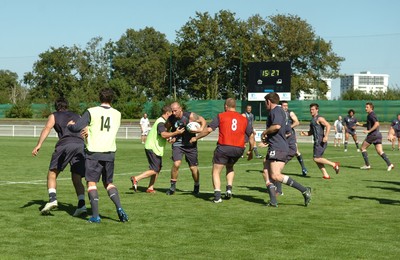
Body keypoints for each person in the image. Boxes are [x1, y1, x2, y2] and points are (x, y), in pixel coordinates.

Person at [68, 88, 128, 223]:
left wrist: (70, 126)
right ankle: (119, 208)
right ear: (112, 99)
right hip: (110, 152)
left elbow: (78, 127)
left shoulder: (91, 111)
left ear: (99, 98)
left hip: (94, 152)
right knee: (109, 183)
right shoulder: (118, 114)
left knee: (91, 183)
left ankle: (95, 216)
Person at [190, 98, 254, 203]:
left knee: (216, 171)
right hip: (239, 148)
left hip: (224, 147)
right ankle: (229, 189)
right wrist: (251, 150)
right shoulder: (244, 119)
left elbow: (209, 130)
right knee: (230, 166)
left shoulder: (221, 116)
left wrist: (196, 137)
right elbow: (251, 135)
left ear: (225, 106)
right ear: (235, 106)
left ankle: (217, 196)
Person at [32, 97, 87, 216]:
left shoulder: (54, 115)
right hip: (80, 145)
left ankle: (52, 200)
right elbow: (85, 130)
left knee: (52, 173)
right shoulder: (78, 115)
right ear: (67, 105)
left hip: (65, 145)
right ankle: (82, 204)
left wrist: (39, 145)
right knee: (77, 178)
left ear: (56, 106)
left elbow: (47, 128)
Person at [261, 93, 311, 207]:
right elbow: (287, 130)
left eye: (265, 102)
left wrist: (265, 132)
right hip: (276, 145)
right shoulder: (281, 113)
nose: (265, 105)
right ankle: (273, 200)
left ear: (269, 101)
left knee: (276, 176)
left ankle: (304, 190)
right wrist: (269, 139)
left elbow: (277, 126)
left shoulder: (276, 111)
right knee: (266, 170)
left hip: (278, 147)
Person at [130, 106, 185, 193]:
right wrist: (176, 133)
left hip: (155, 148)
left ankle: (150, 187)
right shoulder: (161, 122)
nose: (173, 115)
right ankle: (136, 178)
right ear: (167, 113)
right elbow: (163, 134)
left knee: (157, 168)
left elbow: (162, 135)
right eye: (172, 113)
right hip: (153, 147)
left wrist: (170, 138)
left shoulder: (162, 122)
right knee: (155, 169)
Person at [165, 102, 207, 195]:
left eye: (175, 111)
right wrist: (169, 137)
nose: (174, 113)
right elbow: (166, 128)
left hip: (190, 144)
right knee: (176, 164)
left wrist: (200, 129)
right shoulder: (171, 118)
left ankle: (196, 186)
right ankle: (172, 187)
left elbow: (203, 120)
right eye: (172, 111)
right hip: (178, 144)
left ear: (180, 109)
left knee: (193, 168)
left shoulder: (190, 116)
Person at [300, 103, 340, 179]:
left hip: (320, 141)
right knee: (317, 159)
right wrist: (305, 133)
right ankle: (326, 175)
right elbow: (311, 132)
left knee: (316, 158)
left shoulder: (319, 118)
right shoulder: (312, 120)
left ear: (317, 110)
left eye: (313, 109)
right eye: (310, 109)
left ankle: (334, 164)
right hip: (316, 142)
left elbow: (328, 125)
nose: (311, 111)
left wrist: (326, 136)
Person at [356, 102, 394, 171]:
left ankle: (367, 165)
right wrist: (359, 125)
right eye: (365, 107)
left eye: (367, 107)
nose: (365, 108)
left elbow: (377, 124)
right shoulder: (370, 115)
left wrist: (369, 131)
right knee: (380, 151)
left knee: (362, 148)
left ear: (371, 108)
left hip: (373, 135)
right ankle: (390, 164)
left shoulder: (371, 115)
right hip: (378, 135)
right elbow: (368, 124)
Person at [280, 101, 308, 176]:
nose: (285, 107)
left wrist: (288, 128)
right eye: (284, 105)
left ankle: (303, 168)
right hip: (282, 135)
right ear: (281, 106)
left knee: (296, 151)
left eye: (287, 105)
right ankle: (277, 167)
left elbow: (297, 122)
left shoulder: (290, 113)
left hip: (290, 135)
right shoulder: (279, 113)